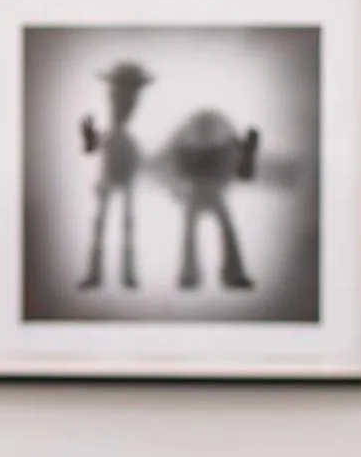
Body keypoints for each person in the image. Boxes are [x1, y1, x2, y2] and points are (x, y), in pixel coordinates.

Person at [163, 110, 260, 290]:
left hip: (203, 188)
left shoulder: (194, 138)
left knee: (204, 231)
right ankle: (202, 273)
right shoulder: (199, 138)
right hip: (201, 188)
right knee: (214, 230)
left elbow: (235, 167)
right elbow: (176, 163)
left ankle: (196, 273)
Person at [79, 60, 152, 290]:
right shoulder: (116, 124)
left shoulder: (126, 127)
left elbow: (96, 145)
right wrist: (90, 139)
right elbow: (94, 146)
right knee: (104, 223)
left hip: (122, 169)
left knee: (123, 224)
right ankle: (100, 274)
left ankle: (124, 274)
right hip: (111, 170)